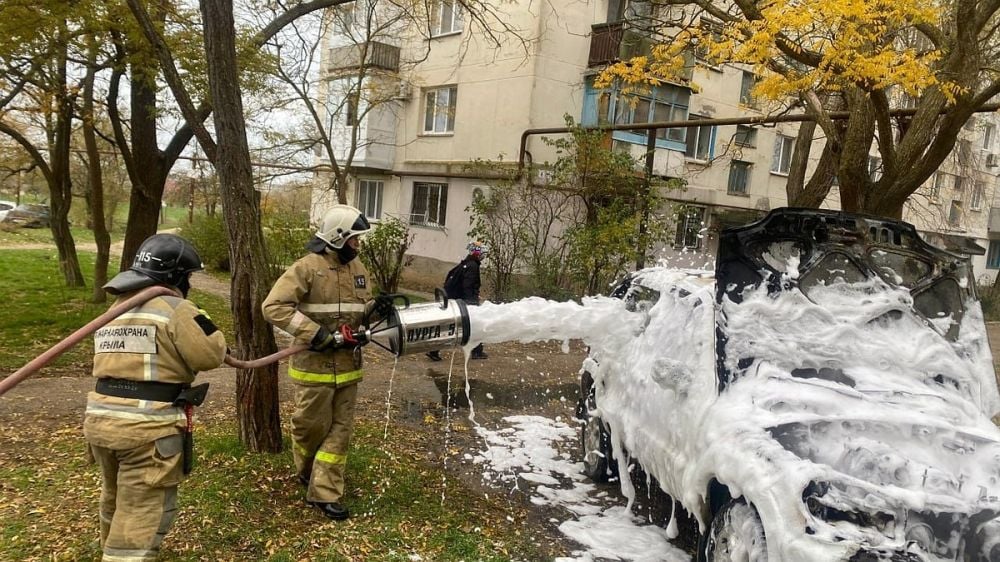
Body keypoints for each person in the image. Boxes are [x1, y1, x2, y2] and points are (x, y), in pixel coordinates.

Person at [84, 233, 228, 561]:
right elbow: (211, 354)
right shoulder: (175, 307)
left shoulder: (118, 307)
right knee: (142, 510)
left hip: (101, 422)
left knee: (115, 497)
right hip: (145, 430)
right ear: (178, 277)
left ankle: (110, 549)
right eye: (188, 277)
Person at [262, 204, 393, 521]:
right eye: (354, 240)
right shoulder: (307, 268)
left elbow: (359, 313)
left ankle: (325, 492)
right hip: (313, 369)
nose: (358, 246)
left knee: (340, 432)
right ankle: (306, 471)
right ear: (338, 238)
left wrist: (378, 308)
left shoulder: (358, 270)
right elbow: (274, 306)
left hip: (349, 367)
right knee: (310, 429)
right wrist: (314, 333)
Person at [426, 240, 488, 361]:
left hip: (452, 299)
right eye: (482, 254)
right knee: (473, 324)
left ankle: (434, 350)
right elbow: (468, 285)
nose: (483, 256)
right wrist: (472, 302)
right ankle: (476, 351)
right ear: (477, 253)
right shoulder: (472, 266)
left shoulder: (465, 263)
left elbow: (451, 279)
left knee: (451, 326)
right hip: (460, 301)